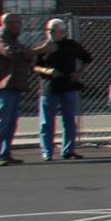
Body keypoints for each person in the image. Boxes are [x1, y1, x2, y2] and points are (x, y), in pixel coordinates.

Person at [32, 17, 92, 159]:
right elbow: (34, 66)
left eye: (53, 30)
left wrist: (79, 73)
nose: (50, 32)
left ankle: (68, 150)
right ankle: (47, 151)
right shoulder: (42, 46)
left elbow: (87, 58)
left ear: (62, 31)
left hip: (68, 86)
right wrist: (48, 71)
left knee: (69, 120)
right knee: (46, 122)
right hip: (48, 87)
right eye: (48, 30)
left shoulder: (71, 45)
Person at [0, 11, 29, 165]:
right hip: (2, 85)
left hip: (15, 85)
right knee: (1, 121)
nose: (17, 26)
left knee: (11, 123)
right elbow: (11, 53)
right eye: (13, 22)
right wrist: (36, 50)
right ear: (4, 24)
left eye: (19, 22)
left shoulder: (14, 39)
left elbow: (25, 57)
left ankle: (5, 153)